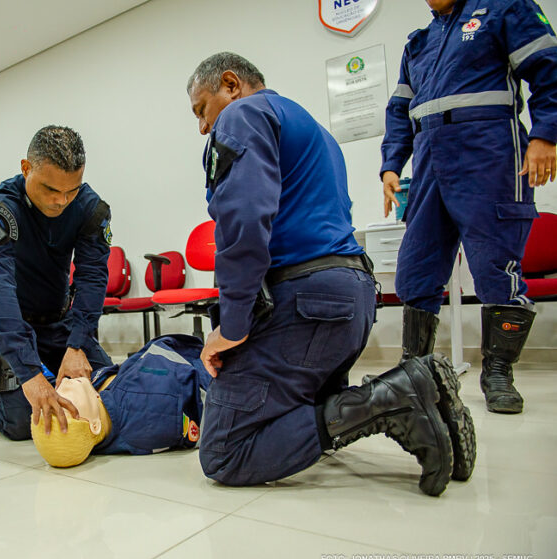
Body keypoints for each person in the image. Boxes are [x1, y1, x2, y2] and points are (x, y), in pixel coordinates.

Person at [186, 52, 476, 496]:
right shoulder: (313, 129)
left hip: (309, 304)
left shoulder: (243, 114)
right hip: (351, 301)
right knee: (302, 410)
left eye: (201, 110)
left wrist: (233, 324)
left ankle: (395, 396)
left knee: (224, 450)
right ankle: (419, 395)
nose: (203, 127)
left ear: (230, 84)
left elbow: (243, 223)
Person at [381, 0, 556, 414]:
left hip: (488, 152)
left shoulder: (503, 8)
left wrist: (546, 134)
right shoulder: (419, 44)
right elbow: (398, 110)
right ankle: (414, 371)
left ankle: (498, 372)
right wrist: (391, 164)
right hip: (428, 159)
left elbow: (549, 69)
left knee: (495, 267)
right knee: (415, 270)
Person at [0, 125, 113, 440]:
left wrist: (77, 344)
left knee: (108, 391)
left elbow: (92, 276)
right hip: (12, 326)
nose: (61, 201)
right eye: (50, 189)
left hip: (59, 323)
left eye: (71, 190)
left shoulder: (89, 208)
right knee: (23, 421)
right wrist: (30, 374)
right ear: (25, 168)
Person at [0, 335, 207, 467]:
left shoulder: (95, 429)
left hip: (58, 318)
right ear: (93, 425)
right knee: (13, 416)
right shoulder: (152, 397)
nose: (59, 392)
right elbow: (177, 352)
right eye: (65, 403)